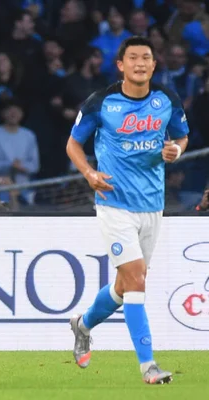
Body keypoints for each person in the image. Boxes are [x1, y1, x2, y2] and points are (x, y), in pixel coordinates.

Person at [66, 36, 189, 384]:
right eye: (132, 57)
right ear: (120, 65)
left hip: (152, 205)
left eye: (146, 58)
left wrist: (176, 152)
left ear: (153, 65)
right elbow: (73, 144)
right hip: (114, 204)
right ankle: (148, 366)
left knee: (123, 288)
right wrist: (89, 173)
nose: (139, 63)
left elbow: (181, 137)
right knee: (136, 280)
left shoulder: (166, 100)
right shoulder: (101, 102)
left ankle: (83, 323)